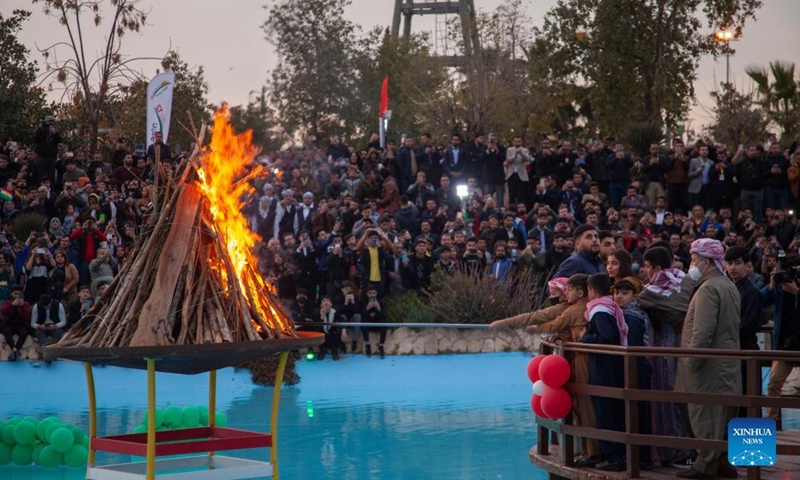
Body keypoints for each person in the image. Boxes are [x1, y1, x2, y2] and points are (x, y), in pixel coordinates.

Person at [491, 274, 602, 463]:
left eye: (566, 290)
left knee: (584, 407)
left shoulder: (573, 309)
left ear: (580, 292)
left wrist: (534, 329)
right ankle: (586, 450)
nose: (564, 294)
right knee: (579, 407)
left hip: (581, 362)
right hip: (574, 362)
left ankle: (593, 452)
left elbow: (549, 322)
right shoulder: (573, 307)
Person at [674, 238, 740, 480]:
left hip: (707, 367)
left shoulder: (709, 288)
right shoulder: (728, 285)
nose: (691, 265)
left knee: (705, 414)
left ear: (705, 261)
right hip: (726, 365)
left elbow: (702, 332)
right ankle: (722, 461)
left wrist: (691, 362)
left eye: (693, 260)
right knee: (723, 414)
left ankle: (705, 464)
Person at [638, 246, 695, 468]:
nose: (644, 271)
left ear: (657, 268)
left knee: (680, 394)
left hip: (681, 341)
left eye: (646, 267)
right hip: (701, 338)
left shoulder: (651, 291)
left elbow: (633, 305)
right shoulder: (686, 278)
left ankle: (687, 451)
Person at [581, 273, 628, 472]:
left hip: (604, 366)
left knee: (605, 409)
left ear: (591, 290)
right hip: (611, 365)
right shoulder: (608, 306)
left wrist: (586, 338)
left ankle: (614, 456)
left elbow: (607, 338)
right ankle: (615, 454)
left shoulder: (599, 310)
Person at [612, 276, 654, 466]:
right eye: (616, 292)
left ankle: (641, 457)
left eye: (625, 292)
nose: (619, 296)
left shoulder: (633, 316)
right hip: (631, 365)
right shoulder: (620, 314)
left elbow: (632, 344)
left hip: (636, 366)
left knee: (638, 412)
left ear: (635, 295)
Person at [0, 285, 31, 361]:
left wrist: (22, 306)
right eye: (15, 294)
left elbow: (27, 316)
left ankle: (15, 350)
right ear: (12, 294)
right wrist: (12, 305)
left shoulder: (25, 303)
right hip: (9, 325)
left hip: (20, 325)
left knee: (24, 333)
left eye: (18, 294)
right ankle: (14, 349)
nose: (17, 296)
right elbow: (3, 311)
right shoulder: (7, 302)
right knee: (7, 331)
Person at [361, 285, 388, 358]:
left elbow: (384, 316)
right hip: (368, 325)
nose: (372, 295)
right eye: (370, 293)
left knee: (384, 322)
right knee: (363, 321)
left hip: (377, 324)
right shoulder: (363, 302)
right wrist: (367, 308)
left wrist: (378, 308)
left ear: (376, 294)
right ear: (367, 294)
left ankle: (381, 346)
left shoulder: (380, 302)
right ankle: (367, 344)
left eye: (374, 293)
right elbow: (362, 315)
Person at [317, 296, 343, 360]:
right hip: (323, 334)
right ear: (321, 305)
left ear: (331, 304)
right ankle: (322, 349)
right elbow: (317, 329)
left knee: (338, 331)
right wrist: (322, 316)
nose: (326, 303)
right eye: (324, 301)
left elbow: (343, 321)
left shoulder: (335, 312)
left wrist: (344, 330)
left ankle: (334, 349)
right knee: (318, 333)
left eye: (328, 301)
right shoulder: (317, 313)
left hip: (333, 335)